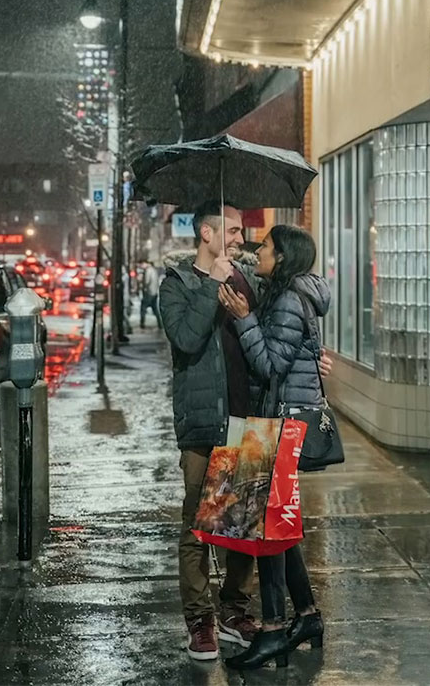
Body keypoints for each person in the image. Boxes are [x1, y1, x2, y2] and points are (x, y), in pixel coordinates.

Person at [218, 225, 329, 671]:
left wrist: (245, 319)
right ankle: (306, 617)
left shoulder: (285, 300)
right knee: (278, 528)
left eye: (264, 247)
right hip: (279, 424)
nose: (256, 251)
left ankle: (272, 631)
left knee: (267, 530)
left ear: (281, 256)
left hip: (280, 426)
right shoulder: (291, 290)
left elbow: (269, 366)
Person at [159, 202, 258, 661]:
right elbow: (186, 339)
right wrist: (213, 282)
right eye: (233, 231)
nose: (241, 238)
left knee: (241, 524)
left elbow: (265, 337)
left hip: (245, 419)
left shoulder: (245, 278)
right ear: (207, 233)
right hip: (202, 424)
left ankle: (234, 610)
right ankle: (199, 622)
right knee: (198, 526)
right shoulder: (176, 285)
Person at [139, 260, 162, 330]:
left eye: (141, 265)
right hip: (154, 292)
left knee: (143, 308)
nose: (141, 267)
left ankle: (142, 323)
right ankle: (160, 324)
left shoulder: (148, 271)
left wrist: (142, 283)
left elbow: (147, 281)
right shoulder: (154, 270)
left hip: (149, 292)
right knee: (155, 309)